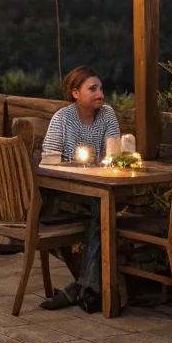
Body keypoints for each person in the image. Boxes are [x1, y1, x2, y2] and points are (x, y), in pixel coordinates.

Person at [39, 67, 121, 314]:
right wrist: (76, 165)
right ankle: (91, 289)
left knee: (102, 206)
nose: (100, 94)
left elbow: (114, 155)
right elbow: (47, 161)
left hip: (96, 190)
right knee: (101, 209)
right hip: (62, 194)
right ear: (75, 93)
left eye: (100, 88)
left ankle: (83, 288)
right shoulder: (63, 118)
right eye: (92, 89)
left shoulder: (107, 115)